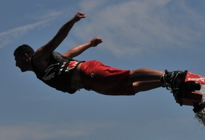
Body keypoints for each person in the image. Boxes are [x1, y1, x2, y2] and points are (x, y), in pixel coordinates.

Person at [14, 11, 182, 95]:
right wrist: (89, 44)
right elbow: (68, 54)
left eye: (17, 60)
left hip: (88, 72)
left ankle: (170, 76)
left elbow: (58, 38)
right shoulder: (41, 68)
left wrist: (73, 21)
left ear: (25, 56)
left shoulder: (39, 56)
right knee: (131, 88)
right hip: (90, 84)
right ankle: (165, 82)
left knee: (129, 76)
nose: (16, 64)